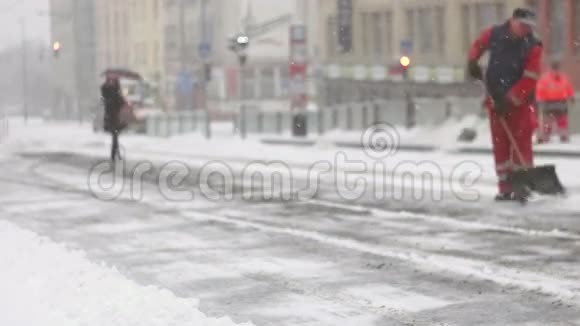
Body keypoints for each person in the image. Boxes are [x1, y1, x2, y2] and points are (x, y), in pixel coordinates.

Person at [467, 8, 542, 201]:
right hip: (494, 98)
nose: (526, 30)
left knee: (521, 143)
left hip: (520, 103)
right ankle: (504, 187)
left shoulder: (533, 45)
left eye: (529, 27)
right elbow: (478, 45)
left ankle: (521, 185)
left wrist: (509, 99)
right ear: (513, 21)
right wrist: (472, 60)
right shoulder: (494, 34)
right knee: (500, 145)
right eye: (523, 25)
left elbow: (530, 78)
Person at [535, 59, 575, 143]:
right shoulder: (545, 79)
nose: (556, 71)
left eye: (557, 68)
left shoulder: (563, 78)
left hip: (561, 102)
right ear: (551, 69)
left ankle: (563, 136)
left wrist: (571, 97)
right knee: (548, 122)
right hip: (548, 103)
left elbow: (568, 88)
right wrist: (539, 100)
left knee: (562, 121)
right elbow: (540, 89)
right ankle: (544, 136)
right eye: (554, 68)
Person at [101, 76, 127, 161]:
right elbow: (118, 102)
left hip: (112, 117)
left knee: (115, 137)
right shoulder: (111, 92)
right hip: (113, 117)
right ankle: (115, 155)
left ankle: (116, 154)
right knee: (115, 137)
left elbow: (118, 102)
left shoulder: (111, 91)